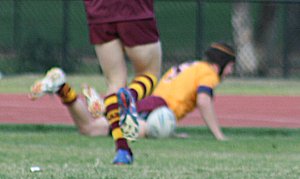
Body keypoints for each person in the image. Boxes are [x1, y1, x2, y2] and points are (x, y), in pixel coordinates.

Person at [29, 41, 235, 143]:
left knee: (89, 129)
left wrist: (170, 130)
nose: (231, 70)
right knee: (97, 128)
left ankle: (63, 88)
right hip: (158, 109)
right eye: (231, 65)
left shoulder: (194, 66)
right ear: (222, 63)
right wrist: (218, 135)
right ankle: (102, 108)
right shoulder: (210, 74)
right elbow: (203, 100)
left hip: (153, 104)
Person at [82, 0, 163, 164]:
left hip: (99, 11)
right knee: (150, 74)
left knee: (114, 81)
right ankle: (130, 96)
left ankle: (122, 150)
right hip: (134, 9)